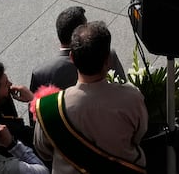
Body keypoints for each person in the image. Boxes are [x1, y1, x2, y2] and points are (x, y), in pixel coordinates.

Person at [30, 21, 147, 174]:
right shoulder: (132, 97)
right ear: (108, 60)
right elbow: (139, 133)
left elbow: (43, 150)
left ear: (71, 57)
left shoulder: (49, 108)